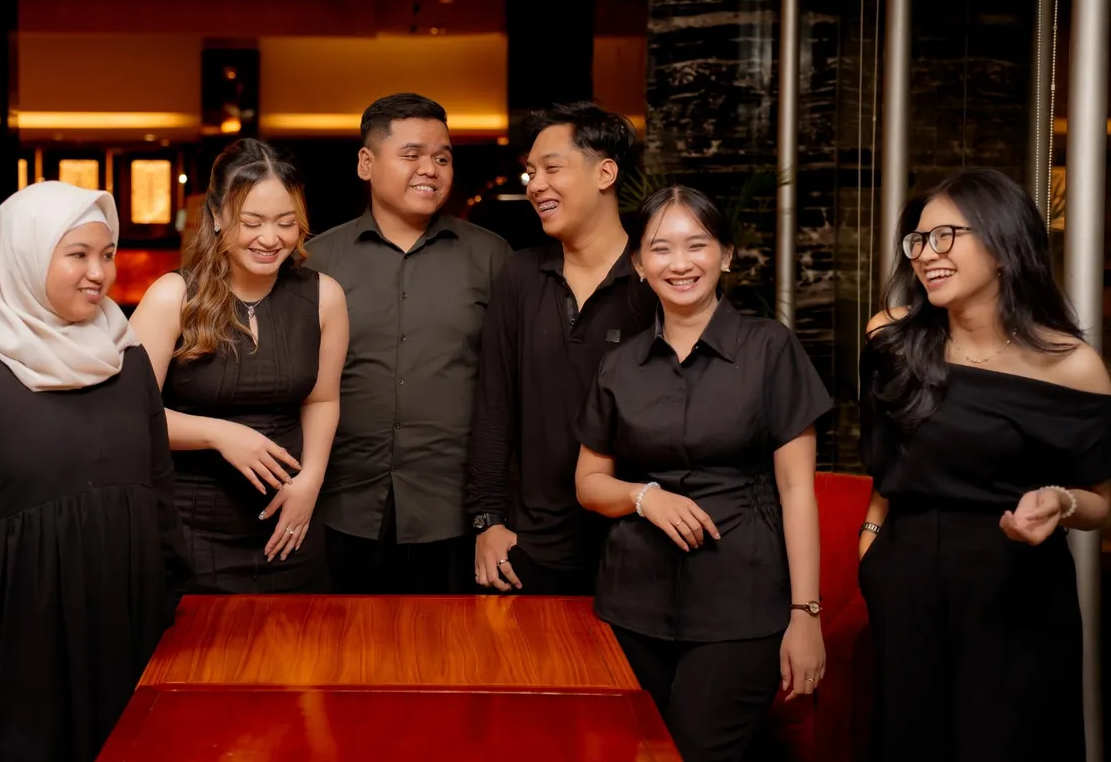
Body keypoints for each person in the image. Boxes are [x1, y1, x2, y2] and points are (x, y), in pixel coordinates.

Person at [0, 182, 187, 762]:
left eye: (107, 254)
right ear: (23, 256)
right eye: (77, 254)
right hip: (10, 650)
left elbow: (159, 494)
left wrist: (168, 622)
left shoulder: (126, 356)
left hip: (123, 638)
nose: (98, 272)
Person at [858, 168, 1111, 762]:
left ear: (1002, 245)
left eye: (946, 236)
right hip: (907, 580)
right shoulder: (890, 339)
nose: (927, 254)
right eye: (918, 240)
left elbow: (1101, 502)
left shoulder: (1074, 365)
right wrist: (869, 548)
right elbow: (886, 470)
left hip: (1017, 588)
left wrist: (1060, 502)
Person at [573, 185, 829, 762]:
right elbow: (588, 483)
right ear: (639, 264)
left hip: (742, 605)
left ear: (726, 255)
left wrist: (805, 616)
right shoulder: (619, 364)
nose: (680, 263)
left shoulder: (770, 349)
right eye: (661, 248)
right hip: (631, 607)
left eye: (697, 245)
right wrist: (644, 497)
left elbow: (797, 491)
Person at [303, 94, 511, 594]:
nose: (430, 170)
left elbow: (509, 388)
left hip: (454, 513)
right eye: (412, 154)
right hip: (340, 507)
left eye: (442, 157)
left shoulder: (491, 257)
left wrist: (495, 512)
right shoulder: (315, 261)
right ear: (366, 163)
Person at [131, 138, 347, 593]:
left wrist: (310, 482)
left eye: (286, 222)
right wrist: (219, 434)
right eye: (252, 222)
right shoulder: (172, 297)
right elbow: (129, 416)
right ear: (215, 216)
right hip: (190, 529)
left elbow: (322, 399)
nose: (271, 239)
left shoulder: (324, 296)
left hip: (292, 524)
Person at [466, 101, 656, 594]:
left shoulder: (655, 280)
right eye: (531, 173)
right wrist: (488, 521)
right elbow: (493, 406)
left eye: (552, 169)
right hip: (529, 545)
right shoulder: (521, 275)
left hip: (637, 541)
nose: (536, 185)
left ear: (605, 173)